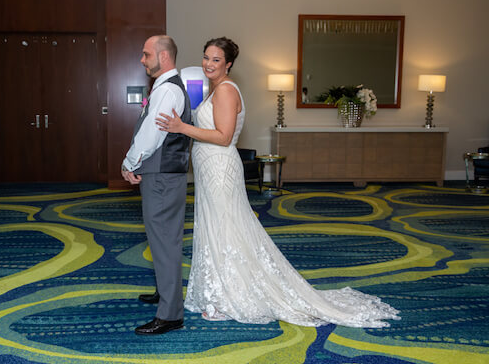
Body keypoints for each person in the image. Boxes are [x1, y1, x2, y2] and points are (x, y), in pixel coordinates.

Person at [156, 37, 400, 327]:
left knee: (225, 228)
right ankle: (218, 291)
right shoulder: (216, 90)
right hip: (210, 169)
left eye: (216, 59)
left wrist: (183, 127)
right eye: (206, 57)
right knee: (218, 227)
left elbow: (223, 137)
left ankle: (228, 295)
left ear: (229, 64)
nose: (208, 63)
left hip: (220, 168)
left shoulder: (225, 91)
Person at [121, 35, 192, 335]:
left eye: (145, 54)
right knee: (161, 239)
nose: (142, 59)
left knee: (164, 241)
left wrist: (129, 162)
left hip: (162, 176)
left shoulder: (167, 92)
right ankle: (166, 293)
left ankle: (171, 313)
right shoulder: (165, 88)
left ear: (163, 57)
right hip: (163, 175)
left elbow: (151, 135)